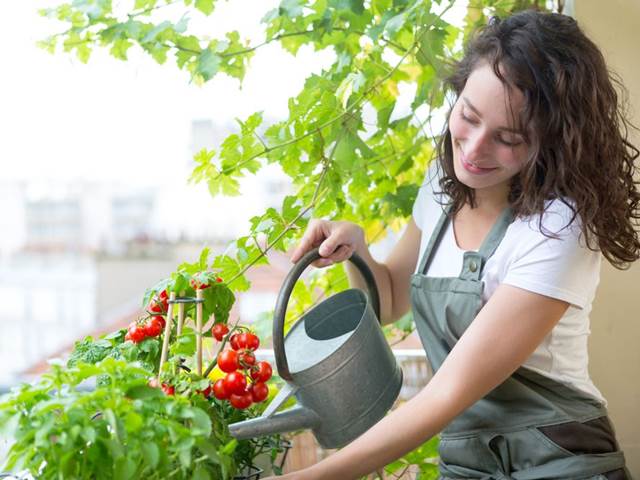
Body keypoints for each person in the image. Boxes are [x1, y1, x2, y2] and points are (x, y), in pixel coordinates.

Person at [264, 10, 639, 480]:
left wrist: (308, 477)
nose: (475, 149)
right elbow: (388, 301)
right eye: (468, 116)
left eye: (508, 138)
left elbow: (447, 393)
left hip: (558, 461)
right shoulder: (441, 185)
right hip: (469, 464)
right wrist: (358, 250)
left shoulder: (558, 227)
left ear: (551, 142)